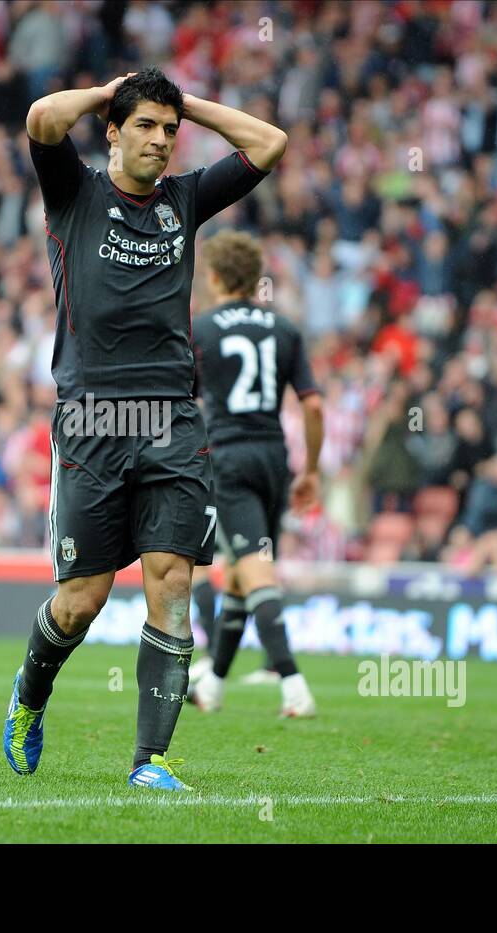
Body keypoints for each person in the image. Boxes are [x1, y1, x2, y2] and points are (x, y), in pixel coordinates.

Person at [2, 67, 286, 790]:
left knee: (172, 579)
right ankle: (30, 696)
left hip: (171, 420)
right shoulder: (75, 192)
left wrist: (187, 103)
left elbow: (271, 141)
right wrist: (107, 92)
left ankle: (149, 763)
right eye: (147, 126)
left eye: (170, 129)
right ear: (114, 132)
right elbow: (40, 118)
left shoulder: (185, 199)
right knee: (82, 600)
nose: (162, 140)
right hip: (92, 419)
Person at [186, 229, 324, 718]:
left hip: (228, 458)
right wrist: (310, 470)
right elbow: (313, 407)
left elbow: (179, 403)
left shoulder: (200, 330)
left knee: (255, 572)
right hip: (275, 460)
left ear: (216, 277)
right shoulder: (284, 329)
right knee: (243, 579)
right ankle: (214, 686)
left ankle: (293, 684)